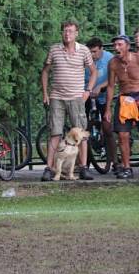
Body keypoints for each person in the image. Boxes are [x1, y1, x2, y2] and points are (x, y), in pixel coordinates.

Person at [40, 21, 97, 181]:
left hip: (76, 98)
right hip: (57, 97)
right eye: (65, 31)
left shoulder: (84, 51)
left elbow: (94, 72)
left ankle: (84, 168)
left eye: (71, 31)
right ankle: (48, 168)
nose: (67, 34)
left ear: (76, 33)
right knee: (55, 133)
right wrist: (45, 93)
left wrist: (88, 91)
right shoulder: (54, 50)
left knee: (82, 133)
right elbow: (45, 72)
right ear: (62, 33)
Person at [105, 34, 139, 179]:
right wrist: (107, 108)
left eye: (119, 45)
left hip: (138, 96)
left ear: (127, 46)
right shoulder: (113, 63)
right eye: (115, 45)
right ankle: (127, 167)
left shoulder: (137, 58)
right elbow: (111, 86)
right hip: (124, 98)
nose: (116, 48)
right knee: (122, 135)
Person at [85, 37, 118, 172]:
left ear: (101, 49)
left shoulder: (110, 58)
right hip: (86, 93)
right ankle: (84, 163)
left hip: (104, 95)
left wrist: (101, 87)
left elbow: (114, 79)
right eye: (90, 52)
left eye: (94, 52)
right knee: (83, 127)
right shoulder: (85, 58)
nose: (92, 55)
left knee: (107, 127)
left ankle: (115, 162)